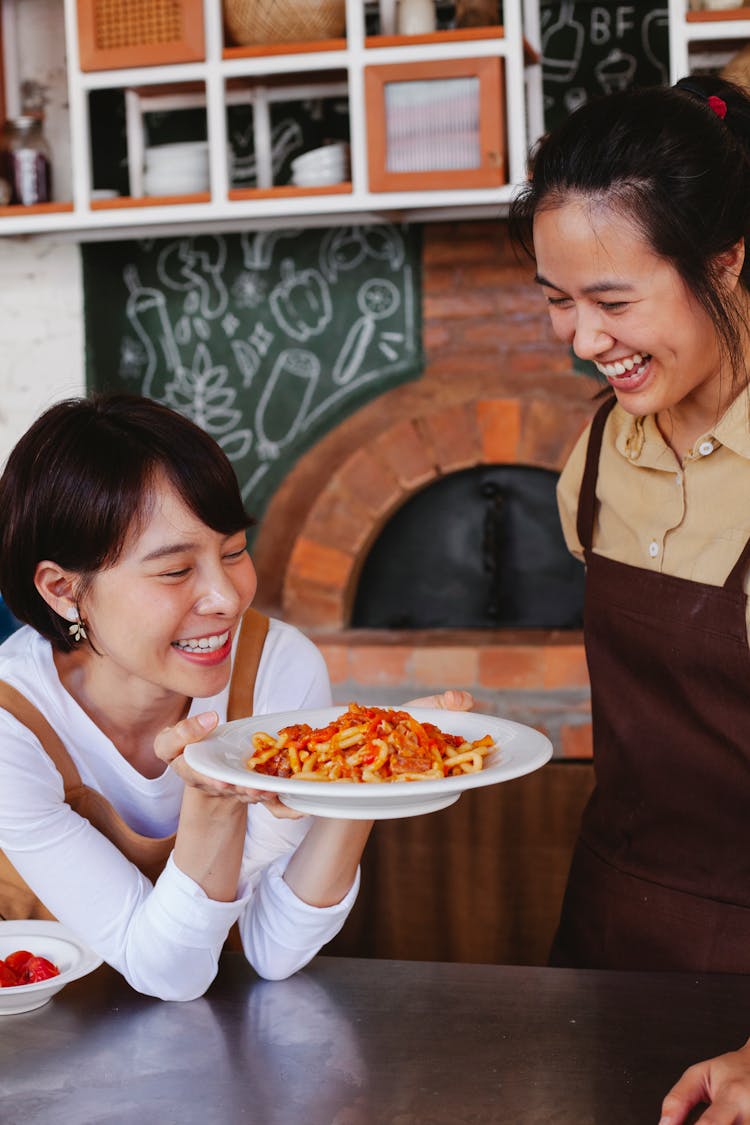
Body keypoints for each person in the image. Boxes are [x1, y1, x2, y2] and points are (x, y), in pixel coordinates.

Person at [0, 393, 467, 1002]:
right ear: (63, 590)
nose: (226, 597)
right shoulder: (14, 726)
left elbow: (274, 950)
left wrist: (366, 776)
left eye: (233, 551)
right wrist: (212, 805)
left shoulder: (276, 664)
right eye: (174, 571)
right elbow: (170, 972)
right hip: (42, 1042)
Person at [509, 76, 750, 1124]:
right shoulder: (602, 450)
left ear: (727, 264)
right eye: (558, 298)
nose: (580, 338)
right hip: (605, 928)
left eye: (612, 301)